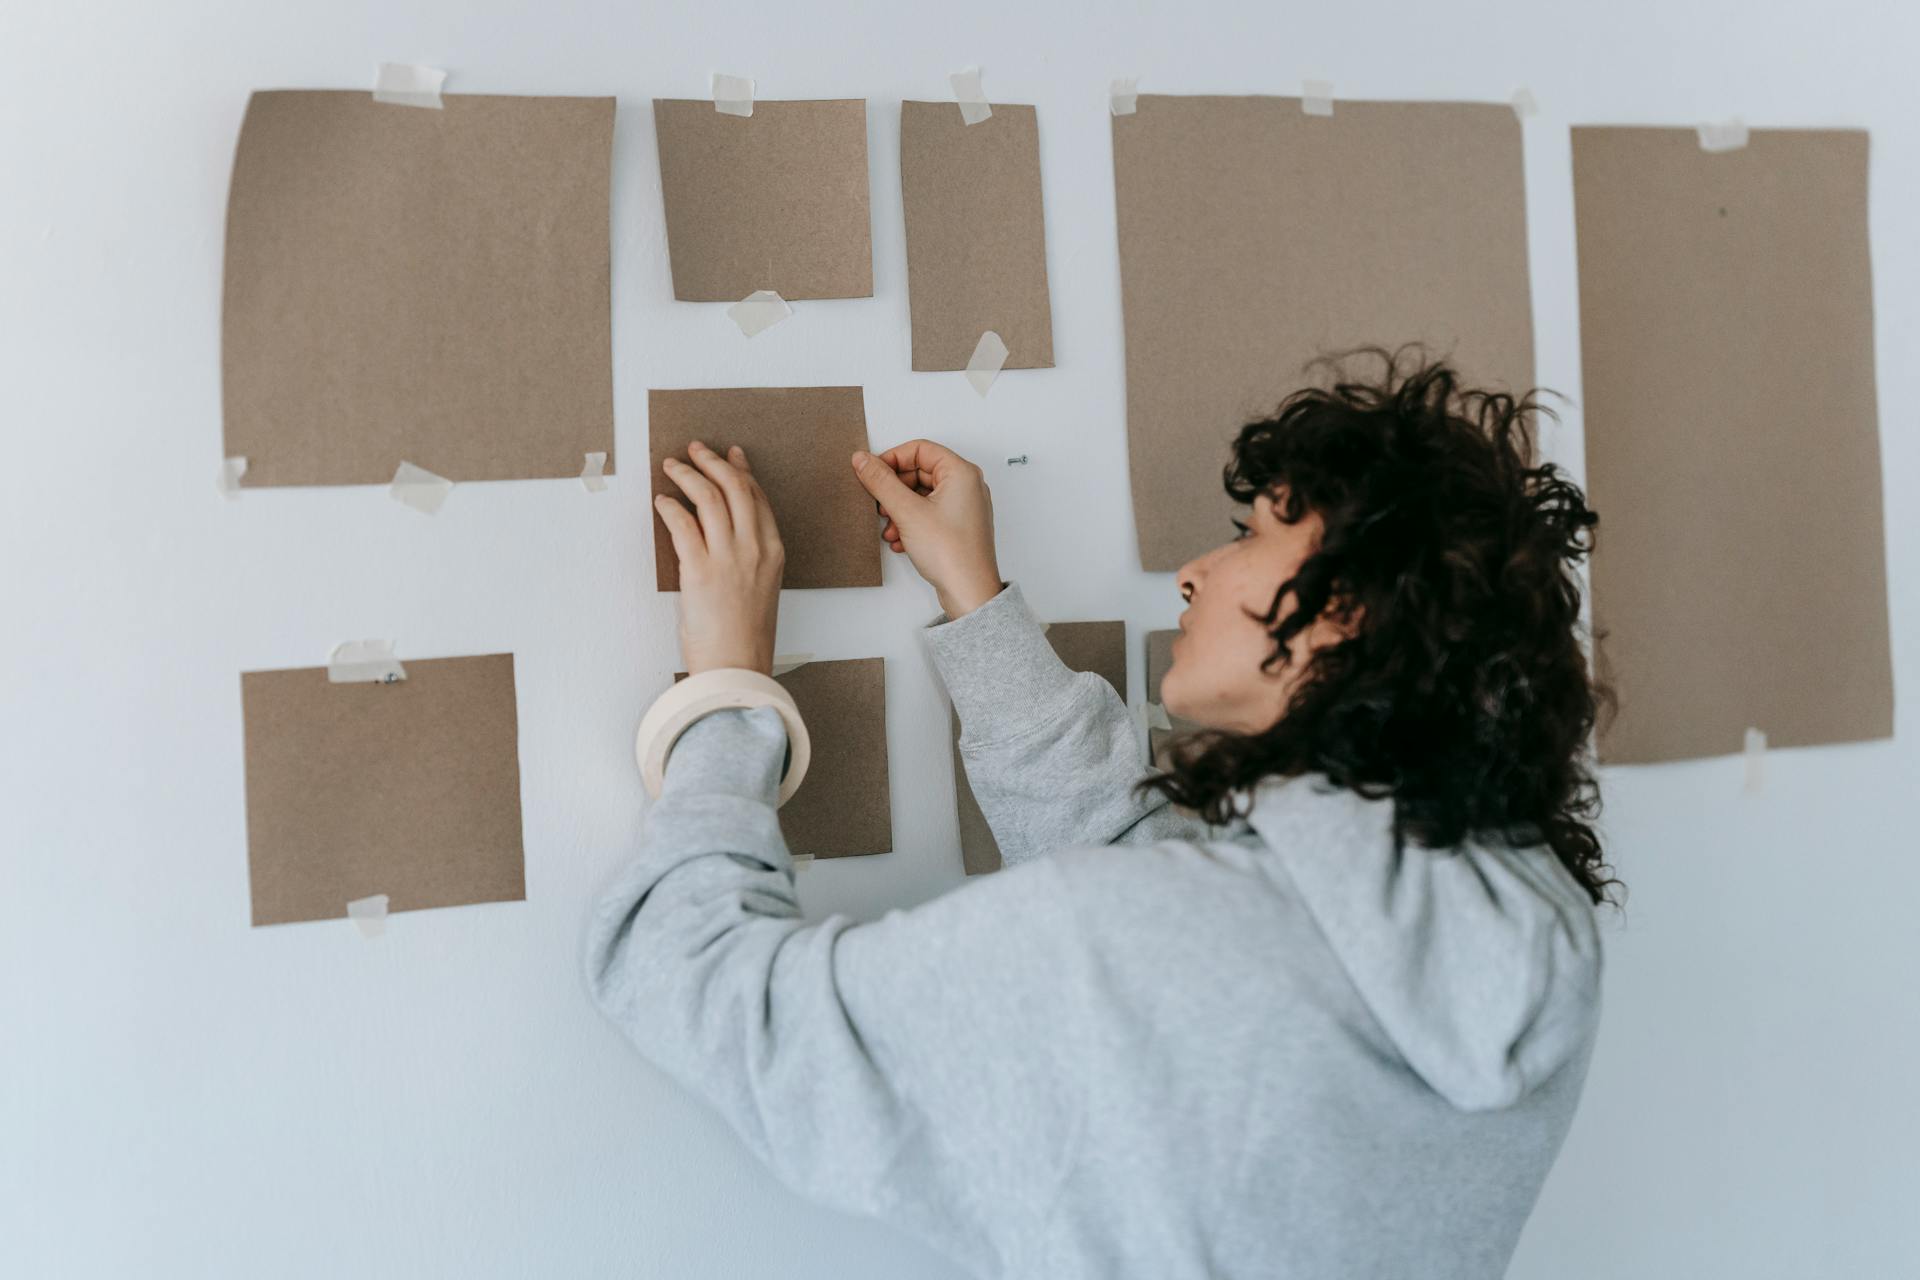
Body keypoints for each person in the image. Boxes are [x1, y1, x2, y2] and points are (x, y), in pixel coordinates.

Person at [585, 348, 1621, 1279]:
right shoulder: (1528, 928)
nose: (1193, 573)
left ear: (1346, 614)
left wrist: (725, 688)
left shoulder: (1147, 947)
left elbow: (698, 977)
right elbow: (1166, 882)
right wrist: (974, 596)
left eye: (1251, 537)